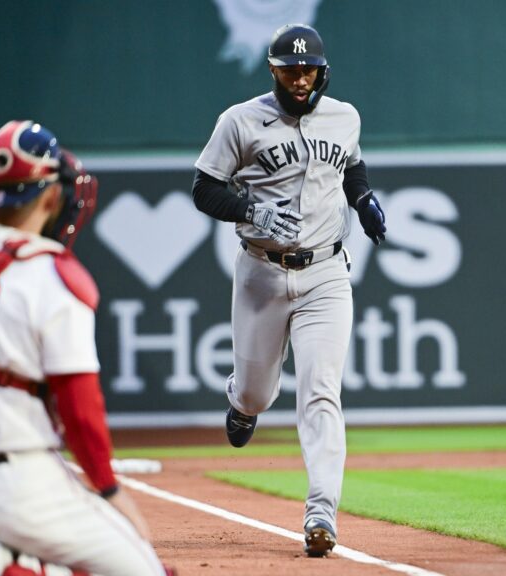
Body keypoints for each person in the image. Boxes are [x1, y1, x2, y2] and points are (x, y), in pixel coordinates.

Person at [0, 120, 171, 575]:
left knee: (55, 560)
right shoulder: (50, 274)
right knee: (143, 568)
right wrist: (109, 491)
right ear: (49, 196)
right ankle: (3, 567)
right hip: (16, 484)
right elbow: (81, 410)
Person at [191, 23, 386, 557]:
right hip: (260, 272)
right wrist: (249, 208)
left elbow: (351, 165)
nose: (300, 79)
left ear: (322, 72)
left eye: (308, 70)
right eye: (289, 70)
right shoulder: (240, 121)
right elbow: (204, 187)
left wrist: (363, 199)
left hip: (325, 273)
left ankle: (322, 512)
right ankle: (243, 401)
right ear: (273, 71)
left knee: (322, 389)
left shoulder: (345, 116)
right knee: (259, 390)